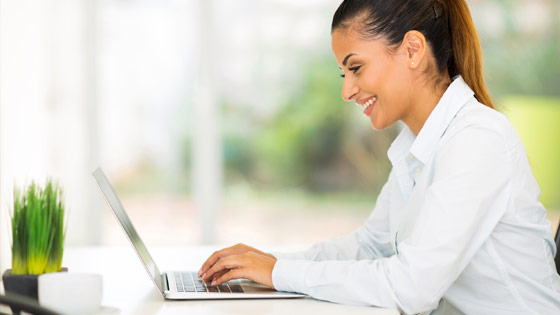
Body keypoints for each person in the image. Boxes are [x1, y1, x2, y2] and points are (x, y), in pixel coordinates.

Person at [199, 0, 560, 313]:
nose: (346, 90)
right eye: (343, 72)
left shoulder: (478, 140)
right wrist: (267, 263)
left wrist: (279, 274)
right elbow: (371, 245)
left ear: (413, 50)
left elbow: (411, 287)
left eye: (355, 68)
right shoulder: (419, 144)